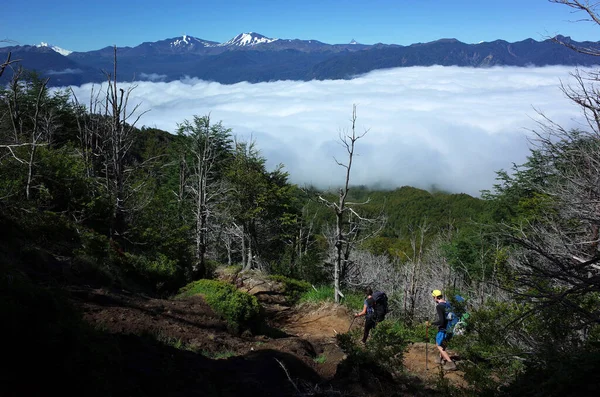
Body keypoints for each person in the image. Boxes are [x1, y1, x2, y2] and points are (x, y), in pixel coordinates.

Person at [426, 289, 457, 371]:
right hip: (451, 328)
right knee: (444, 343)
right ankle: (440, 358)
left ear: (436, 297)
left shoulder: (439, 306)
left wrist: (431, 324)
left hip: (444, 329)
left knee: (438, 345)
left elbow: (441, 321)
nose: (433, 298)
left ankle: (450, 363)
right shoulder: (448, 303)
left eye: (433, 297)